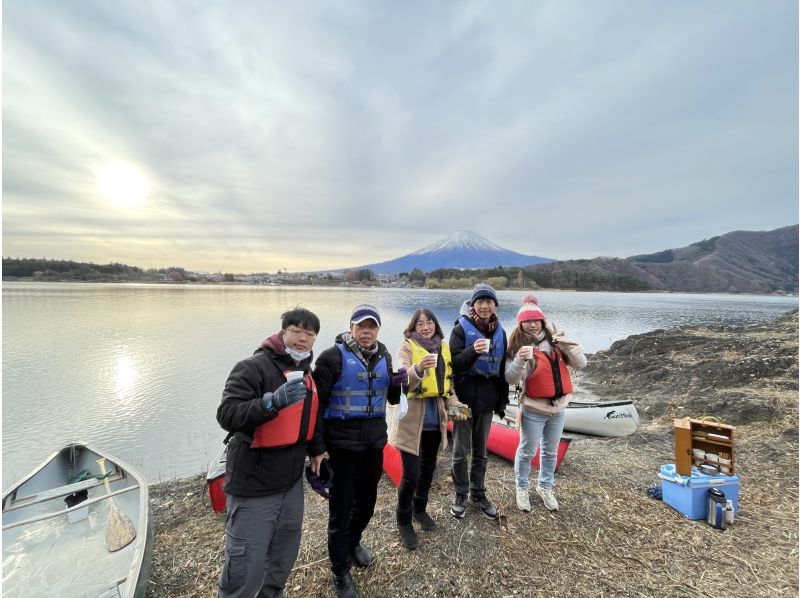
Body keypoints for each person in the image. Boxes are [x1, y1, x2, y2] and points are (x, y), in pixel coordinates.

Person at [216, 307, 321, 598]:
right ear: (283, 332)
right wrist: (270, 403)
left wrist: (318, 451)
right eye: (296, 331)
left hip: (290, 484)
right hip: (254, 485)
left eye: (309, 334)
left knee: (282, 556)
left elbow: (310, 418)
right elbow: (227, 414)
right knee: (245, 564)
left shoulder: (307, 371)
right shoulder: (253, 367)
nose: (302, 339)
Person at [308, 304, 405, 598]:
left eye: (372, 326)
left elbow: (389, 397)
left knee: (366, 504)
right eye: (361, 326)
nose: (366, 331)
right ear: (350, 328)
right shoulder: (331, 358)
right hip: (341, 447)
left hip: (373, 444)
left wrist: (398, 384)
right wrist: (317, 448)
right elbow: (316, 406)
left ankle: (352, 543)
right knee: (340, 510)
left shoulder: (384, 356)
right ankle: (340, 570)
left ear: (377, 329)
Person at [390, 309, 471, 550]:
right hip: (411, 420)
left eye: (430, 322)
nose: (426, 327)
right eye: (420, 324)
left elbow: (448, 385)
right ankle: (403, 520)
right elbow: (400, 381)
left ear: (436, 325)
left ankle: (419, 509)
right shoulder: (406, 347)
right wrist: (418, 369)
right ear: (413, 328)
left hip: (435, 421)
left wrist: (458, 410)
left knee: (428, 468)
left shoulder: (442, 347)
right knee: (411, 474)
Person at [505, 295, 586, 512]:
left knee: (550, 451)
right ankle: (522, 487)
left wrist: (569, 345)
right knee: (527, 451)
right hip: (532, 409)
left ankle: (545, 487)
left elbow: (581, 364)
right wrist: (520, 360)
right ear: (520, 323)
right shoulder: (515, 346)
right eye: (527, 320)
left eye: (536, 320)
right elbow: (510, 379)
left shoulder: (556, 341)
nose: (532, 324)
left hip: (558, 408)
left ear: (542, 321)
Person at [449, 283, 509, 520]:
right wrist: (473, 351)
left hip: (486, 397)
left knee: (480, 451)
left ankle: (478, 494)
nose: (484, 306)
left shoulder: (500, 332)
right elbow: (453, 363)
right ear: (473, 305)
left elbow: (503, 369)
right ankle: (460, 493)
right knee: (460, 450)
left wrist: (502, 400)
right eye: (480, 302)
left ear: (495, 305)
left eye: (489, 302)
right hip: (460, 398)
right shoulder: (460, 329)